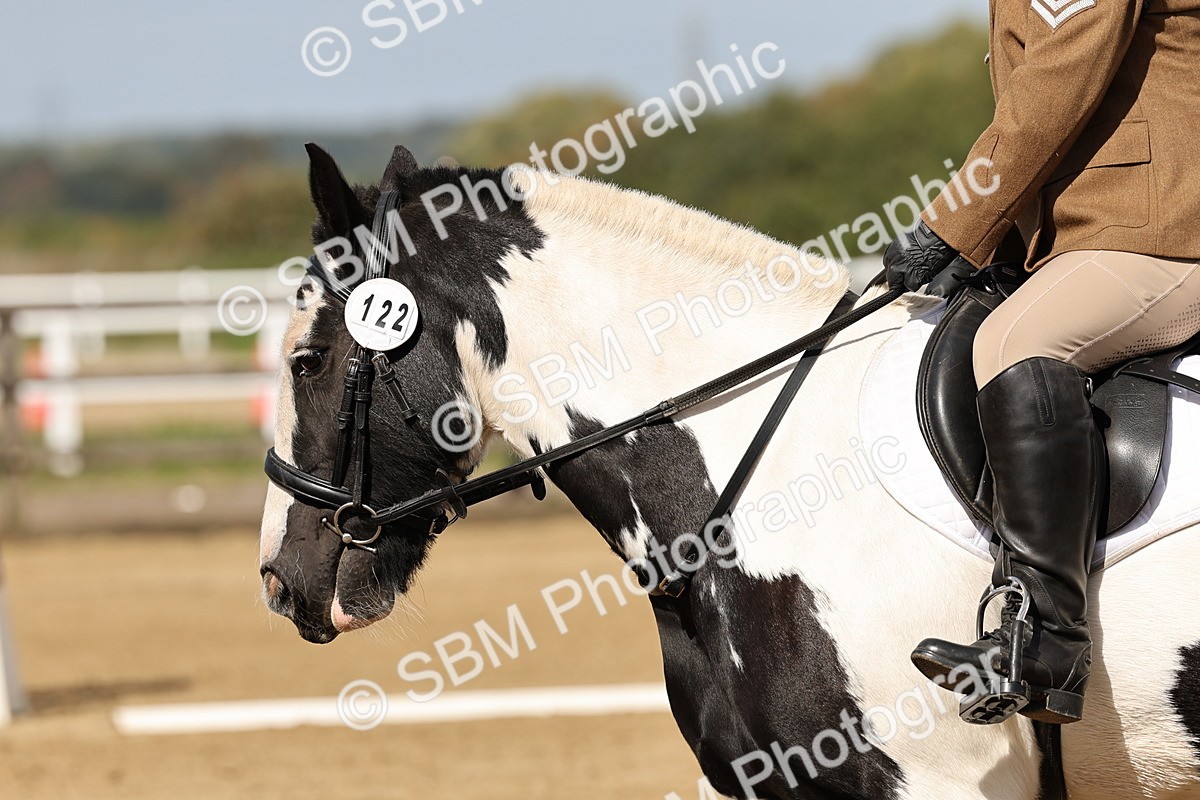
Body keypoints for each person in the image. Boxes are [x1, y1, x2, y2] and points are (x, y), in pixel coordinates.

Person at [885, 0, 1200, 725]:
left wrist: (950, 224)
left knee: (1018, 342)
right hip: (1102, 230)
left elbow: (1059, 76)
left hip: (1165, 227)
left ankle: (1046, 643)